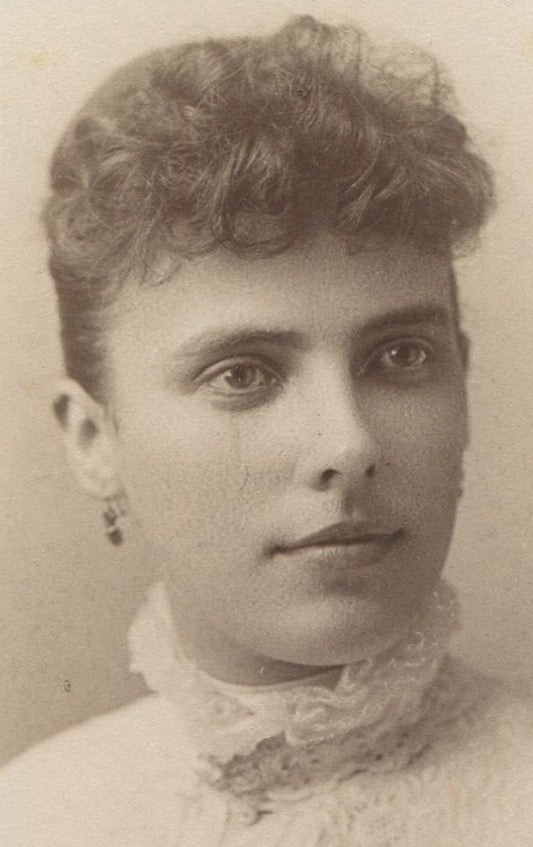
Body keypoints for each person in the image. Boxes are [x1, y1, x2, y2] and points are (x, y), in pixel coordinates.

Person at [0, 14, 531, 846]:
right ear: (92, 437)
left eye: (398, 356)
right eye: (242, 373)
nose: (347, 444)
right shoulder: (35, 813)